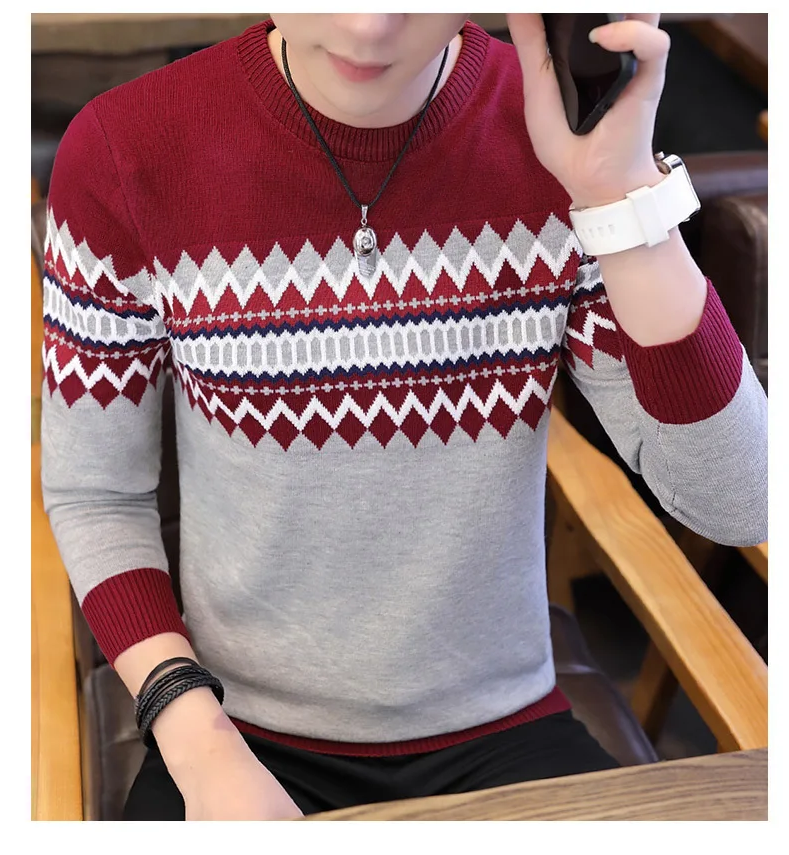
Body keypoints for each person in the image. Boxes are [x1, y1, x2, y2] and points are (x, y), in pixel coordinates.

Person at [41, 13, 767, 821]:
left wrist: (621, 197)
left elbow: (739, 501)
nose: (368, 25)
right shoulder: (128, 148)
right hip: (232, 726)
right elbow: (95, 492)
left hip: (506, 724)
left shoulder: (557, 143)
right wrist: (195, 733)